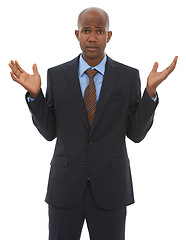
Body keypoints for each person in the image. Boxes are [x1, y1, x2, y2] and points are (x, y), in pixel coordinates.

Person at [9, 7, 178, 240]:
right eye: (86, 30)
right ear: (76, 34)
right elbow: (49, 132)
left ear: (108, 36)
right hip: (65, 188)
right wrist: (36, 96)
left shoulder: (128, 77)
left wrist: (150, 93)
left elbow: (136, 134)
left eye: (99, 31)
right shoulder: (56, 76)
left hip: (111, 189)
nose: (92, 36)